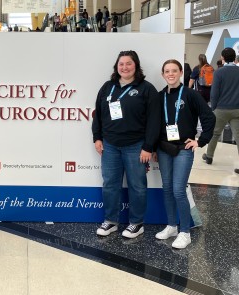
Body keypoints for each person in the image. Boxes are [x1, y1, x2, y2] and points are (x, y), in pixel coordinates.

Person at [92, 50, 161, 238]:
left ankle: (137, 223)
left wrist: (148, 146)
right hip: (110, 145)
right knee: (110, 185)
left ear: (136, 66)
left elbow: (155, 120)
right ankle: (110, 221)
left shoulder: (146, 88)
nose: (124, 67)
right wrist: (97, 137)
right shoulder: (108, 87)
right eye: (121, 64)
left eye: (129, 63)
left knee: (137, 186)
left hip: (136, 146)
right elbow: (97, 114)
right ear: (117, 67)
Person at [154, 59, 215, 249]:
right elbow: (154, 124)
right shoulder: (159, 96)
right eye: (167, 71)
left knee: (178, 190)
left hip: (183, 150)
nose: (170, 74)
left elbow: (209, 117)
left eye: (174, 70)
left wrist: (200, 140)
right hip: (164, 149)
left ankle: (185, 232)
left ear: (180, 73)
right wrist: (155, 147)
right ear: (163, 74)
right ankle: (172, 226)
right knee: (167, 188)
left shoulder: (190, 94)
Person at [202, 48, 239, 173]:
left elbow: (214, 92)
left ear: (222, 57)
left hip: (221, 109)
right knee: (238, 136)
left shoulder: (219, 72)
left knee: (215, 133)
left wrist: (214, 108)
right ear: (235, 58)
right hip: (237, 109)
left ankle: (209, 156)